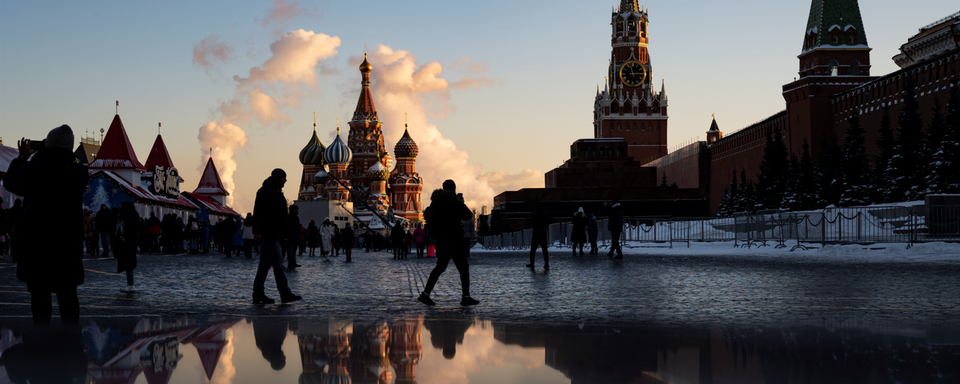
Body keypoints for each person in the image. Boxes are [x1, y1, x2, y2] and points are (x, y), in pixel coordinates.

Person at [5, 127, 90, 329]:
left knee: (40, 294)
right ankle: (71, 346)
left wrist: (23, 158)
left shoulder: (34, 168)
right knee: (68, 294)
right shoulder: (78, 172)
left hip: (38, 242)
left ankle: (42, 345)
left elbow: (10, 183)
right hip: (68, 243)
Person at [418, 180, 479, 306]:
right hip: (455, 239)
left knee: (440, 267)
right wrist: (461, 203)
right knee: (463, 268)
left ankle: (425, 294)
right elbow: (468, 215)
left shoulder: (437, 201)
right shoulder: (454, 201)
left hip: (442, 240)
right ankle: (466, 297)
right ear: (454, 189)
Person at [251, 168, 302, 304]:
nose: (285, 180)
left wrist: (286, 229)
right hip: (269, 233)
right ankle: (284, 293)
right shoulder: (266, 191)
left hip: (275, 233)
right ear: (276, 178)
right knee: (278, 263)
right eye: (283, 178)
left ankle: (258, 294)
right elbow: (259, 212)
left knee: (264, 265)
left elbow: (279, 215)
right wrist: (257, 231)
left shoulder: (275, 192)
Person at [115, 201, 142, 292]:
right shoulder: (129, 215)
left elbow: (133, 228)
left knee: (129, 263)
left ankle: (130, 284)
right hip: (127, 242)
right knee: (127, 263)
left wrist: (126, 236)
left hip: (128, 243)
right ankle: (129, 283)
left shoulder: (130, 216)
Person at [286, 204, 301, 270]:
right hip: (290, 236)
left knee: (294, 250)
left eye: (296, 209)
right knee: (290, 250)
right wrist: (292, 231)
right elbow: (287, 226)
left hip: (295, 237)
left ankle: (293, 262)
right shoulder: (289, 217)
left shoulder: (296, 218)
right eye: (295, 209)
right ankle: (290, 262)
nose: (296, 210)